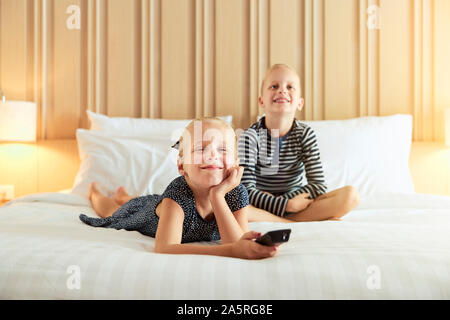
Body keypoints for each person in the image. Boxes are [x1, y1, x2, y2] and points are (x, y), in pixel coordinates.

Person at [79, 118, 278, 259]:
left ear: (235, 163)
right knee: (113, 212)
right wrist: (231, 251)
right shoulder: (177, 194)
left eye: (223, 149)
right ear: (182, 166)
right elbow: (165, 248)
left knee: (137, 199)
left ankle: (125, 195)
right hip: (148, 213)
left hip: (160, 202)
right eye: (201, 148)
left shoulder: (236, 193)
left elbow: (236, 242)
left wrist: (217, 196)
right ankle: (96, 193)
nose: (212, 155)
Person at [237, 63, 360, 223]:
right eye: (274, 86)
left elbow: (318, 186)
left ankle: (284, 219)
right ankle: (291, 221)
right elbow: (246, 190)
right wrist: (284, 205)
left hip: (298, 203)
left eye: (290, 87)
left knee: (351, 196)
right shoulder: (250, 136)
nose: (282, 90)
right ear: (261, 101)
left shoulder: (305, 134)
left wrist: (290, 203)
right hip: (260, 206)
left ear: (300, 103)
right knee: (234, 204)